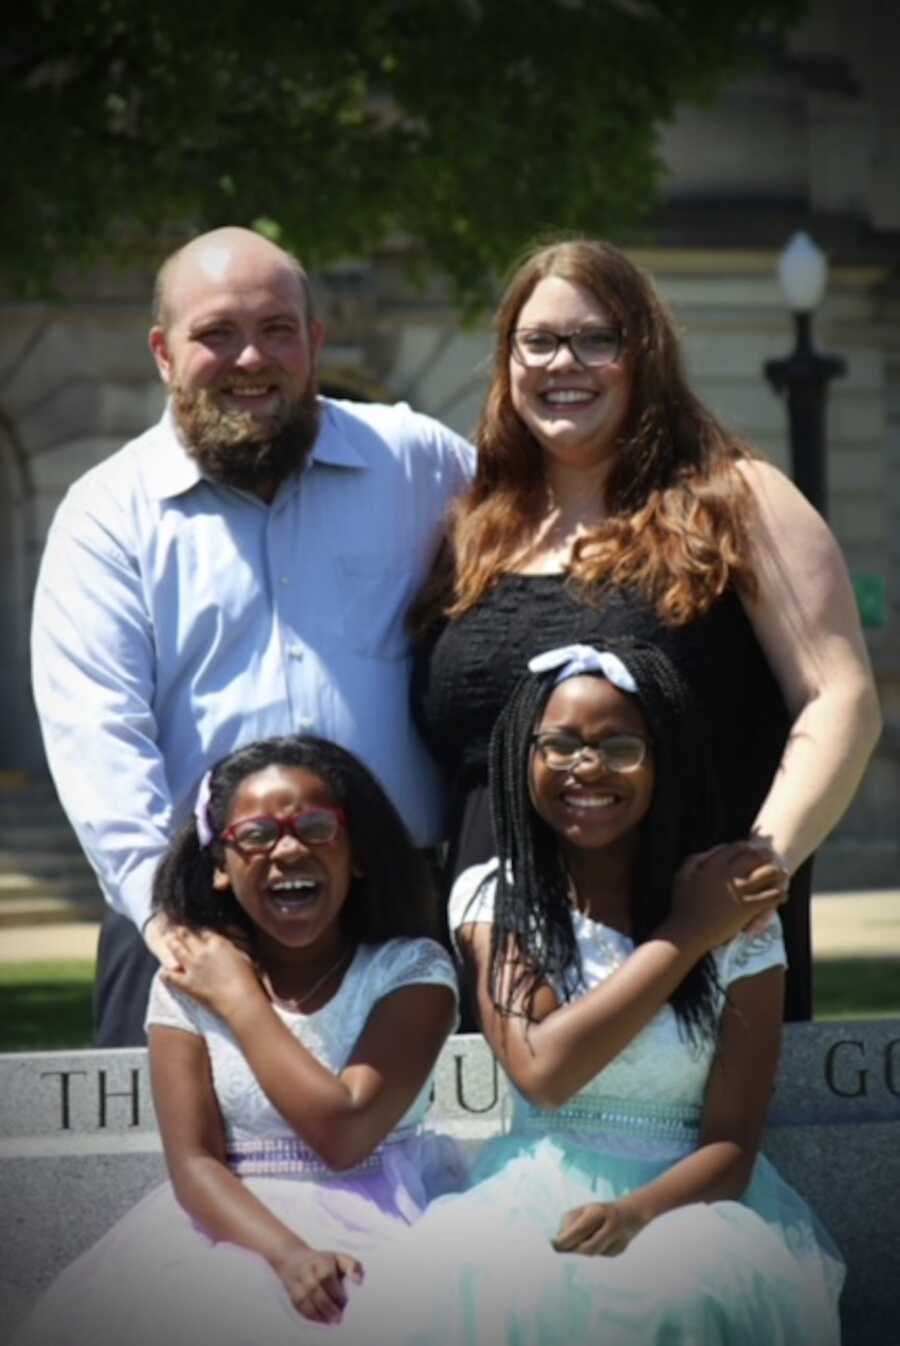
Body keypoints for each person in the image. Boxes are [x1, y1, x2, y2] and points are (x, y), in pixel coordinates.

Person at [411, 236, 881, 1022]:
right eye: (539, 341)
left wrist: (762, 862)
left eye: (598, 339)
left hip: (694, 951)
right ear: (508, 361)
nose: (565, 362)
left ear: (647, 354)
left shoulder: (738, 501)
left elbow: (841, 697)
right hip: (503, 977)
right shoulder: (472, 532)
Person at [30, 225, 474, 1046]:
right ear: (164, 352)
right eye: (217, 335)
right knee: (159, 1174)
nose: (250, 360)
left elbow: (546, 559)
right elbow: (96, 734)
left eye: (276, 331)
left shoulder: (420, 464)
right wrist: (168, 922)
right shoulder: (105, 515)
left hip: (397, 911)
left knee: (426, 1168)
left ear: (315, 341)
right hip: (193, 917)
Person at [350, 641, 844, 1346]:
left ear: (662, 757)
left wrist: (637, 1214)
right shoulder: (496, 898)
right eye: (560, 745)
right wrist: (688, 931)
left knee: (681, 1299)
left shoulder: (743, 918)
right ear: (524, 759)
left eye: (620, 747)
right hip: (528, 1189)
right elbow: (544, 1072)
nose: (587, 766)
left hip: (687, 1204)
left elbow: (732, 1143)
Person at [13, 734, 466, 1346]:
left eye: (315, 827)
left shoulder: (412, 972)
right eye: (255, 836)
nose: (286, 850)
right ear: (221, 867)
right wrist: (287, 1255)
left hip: (394, 1219)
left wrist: (239, 999)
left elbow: (345, 1132)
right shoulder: (184, 985)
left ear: (356, 852)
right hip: (237, 1233)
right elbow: (195, 1162)